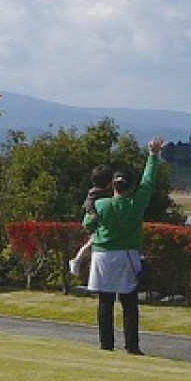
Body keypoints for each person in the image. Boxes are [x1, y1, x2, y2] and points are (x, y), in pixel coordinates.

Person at [84, 138, 166, 353]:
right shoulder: (136, 204)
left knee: (105, 301)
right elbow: (148, 182)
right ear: (130, 185)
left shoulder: (100, 205)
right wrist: (152, 156)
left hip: (102, 255)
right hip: (127, 256)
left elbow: (87, 225)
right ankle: (132, 346)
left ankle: (106, 345)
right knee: (129, 303)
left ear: (113, 185)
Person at [67, 164, 114, 281]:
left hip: (96, 222)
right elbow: (88, 204)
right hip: (93, 221)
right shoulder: (95, 192)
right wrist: (93, 213)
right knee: (92, 242)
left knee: (92, 243)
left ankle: (79, 261)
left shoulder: (102, 192)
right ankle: (77, 260)